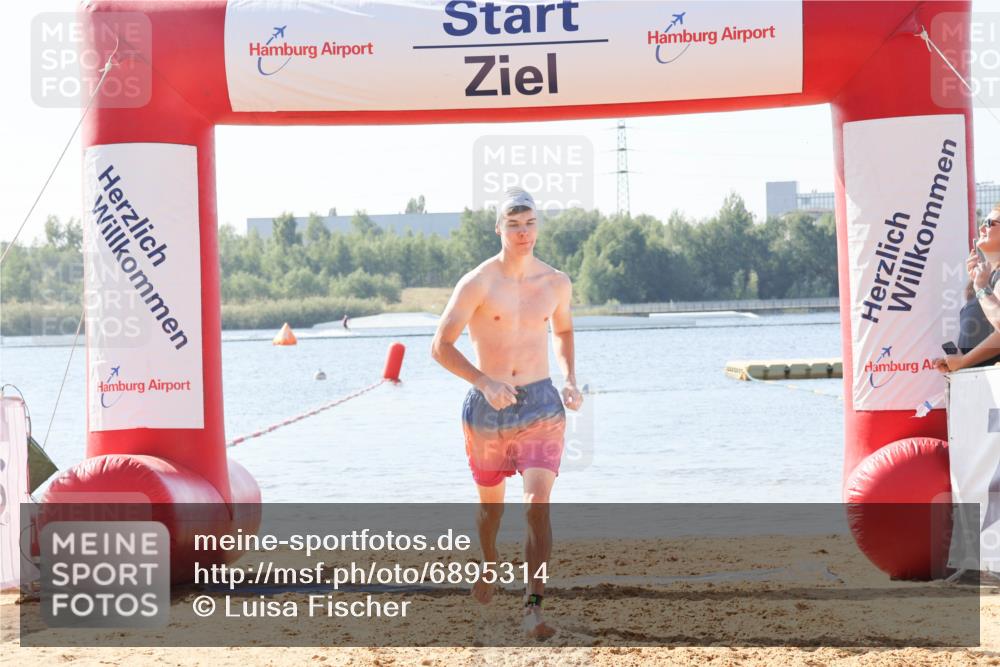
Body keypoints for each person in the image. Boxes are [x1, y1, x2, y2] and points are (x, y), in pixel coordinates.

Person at [430, 187, 583, 639]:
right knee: (490, 510)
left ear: (539, 226)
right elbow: (439, 346)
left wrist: (570, 377)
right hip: (487, 406)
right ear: (499, 228)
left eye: (530, 223)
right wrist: (482, 381)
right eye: (513, 225)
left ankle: (534, 604)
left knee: (537, 505)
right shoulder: (478, 282)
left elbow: (565, 329)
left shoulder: (556, 282)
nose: (523, 232)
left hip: (540, 402)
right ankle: (489, 560)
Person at [934, 204, 1000, 373]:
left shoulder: (987, 282)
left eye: (990, 223)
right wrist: (956, 360)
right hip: (978, 383)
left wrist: (963, 361)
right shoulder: (987, 278)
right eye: (982, 222)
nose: (982, 227)